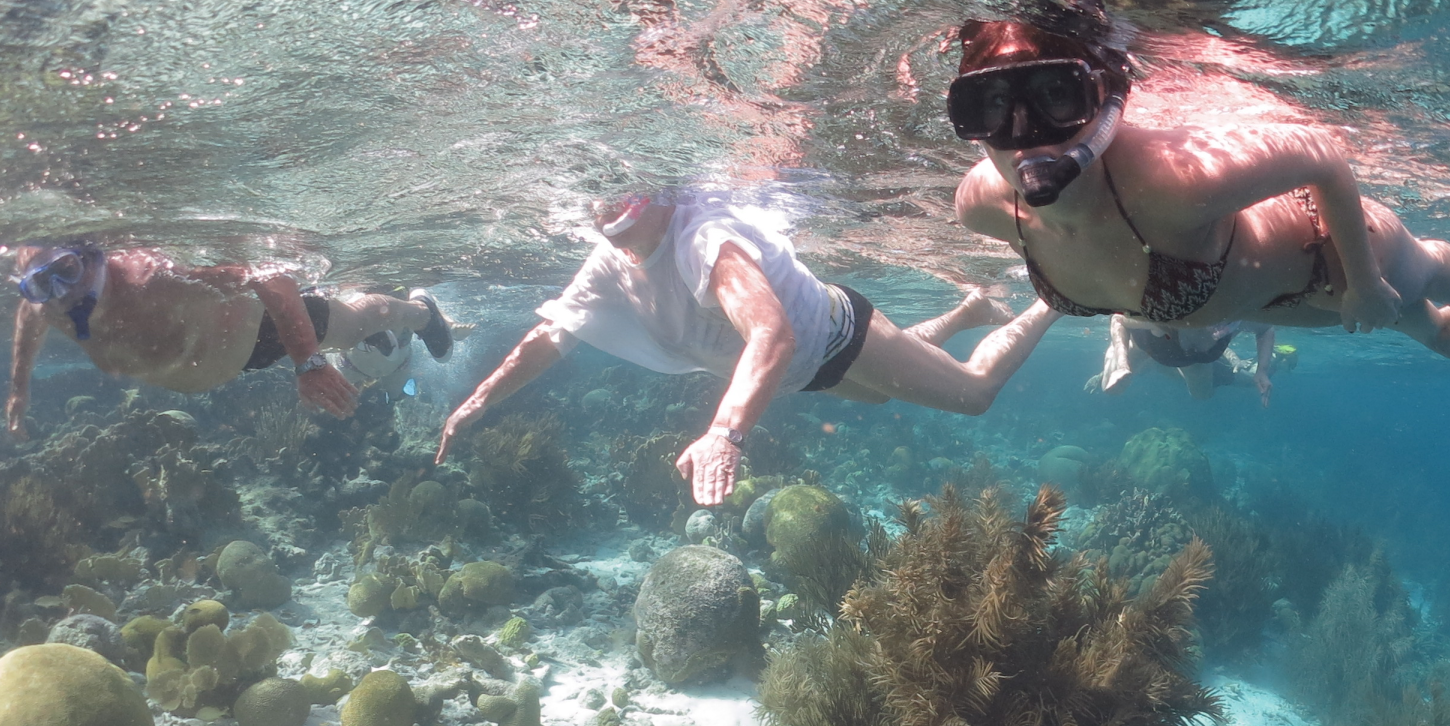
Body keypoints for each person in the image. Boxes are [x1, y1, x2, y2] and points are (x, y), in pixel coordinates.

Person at [947, 1, 1450, 400]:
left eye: (1055, 96)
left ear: (1105, 99)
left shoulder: (1172, 181)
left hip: (1327, 258)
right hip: (1261, 301)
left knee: (1420, 282)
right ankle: (1442, 331)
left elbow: (1320, 153)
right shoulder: (981, 206)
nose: (1025, 133)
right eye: (987, 105)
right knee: (1417, 325)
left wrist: (1363, 281)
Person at [433, 189, 1057, 505]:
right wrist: (479, 400)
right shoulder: (611, 260)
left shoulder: (704, 237)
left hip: (838, 335)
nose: (611, 209)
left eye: (625, 196)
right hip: (808, 372)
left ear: (659, 194)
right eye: (600, 200)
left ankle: (1058, 296)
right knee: (879, 400)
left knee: (972, 394)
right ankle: (969, 308)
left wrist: (725, 433)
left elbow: (772, 334)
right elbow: (553, 333)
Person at [4, 241, 457, 439]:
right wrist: (19, 389)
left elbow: (270, 277)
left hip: (263, 328)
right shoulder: (48, 305)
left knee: (356, 324)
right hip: (227, 355)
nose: (62, 294)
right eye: (41, 284)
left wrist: (307, 361)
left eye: (66, 271)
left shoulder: (155, 278)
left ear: (90, 256)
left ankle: (421, 313)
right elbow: (29, 317)